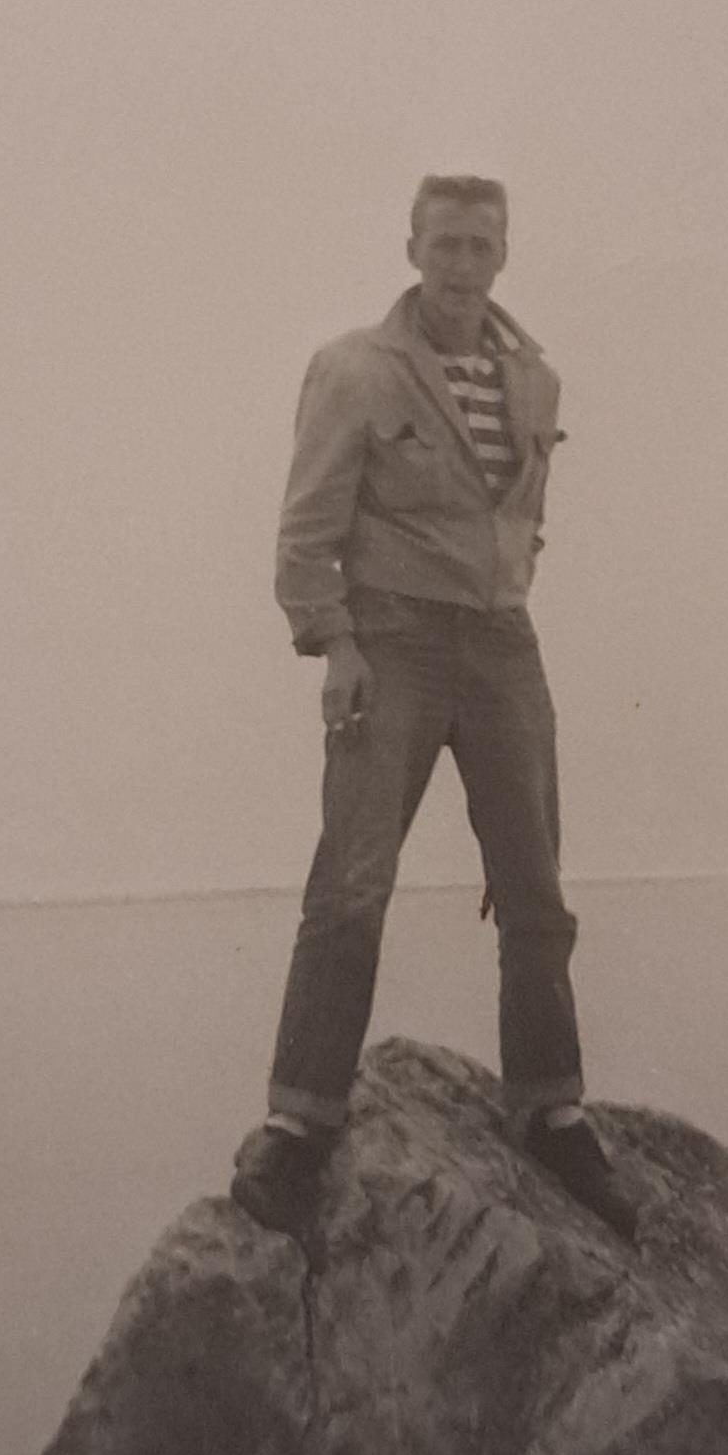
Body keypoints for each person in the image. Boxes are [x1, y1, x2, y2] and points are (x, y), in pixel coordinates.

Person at [231, 175, 636, 1240]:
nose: (463, 263)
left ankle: (551, 1105)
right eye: (446, 242)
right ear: (412, 247)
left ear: (504, 252)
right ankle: (300, 1123)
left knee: (537, 888)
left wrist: (505, 598)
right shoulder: (355, 369)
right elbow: (305, 526)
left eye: (482, 244)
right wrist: (339, 642)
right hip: (393, 643)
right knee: (354, 884)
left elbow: (523, 521)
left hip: (502, 646)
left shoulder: (535, 378)